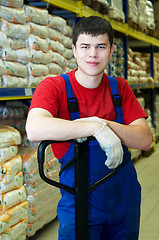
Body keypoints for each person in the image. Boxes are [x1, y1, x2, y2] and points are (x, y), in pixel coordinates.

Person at [26, 16, 152, 240]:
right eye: (85, 46)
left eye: (100, 46)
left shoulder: (120, 88)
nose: (93, 54)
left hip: (124, 199)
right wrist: (94, 128)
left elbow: (144, 140)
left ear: (111, 50)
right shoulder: (55, 87)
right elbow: (35, 128)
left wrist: (106, 125)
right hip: (79, 200)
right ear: (74, 50)